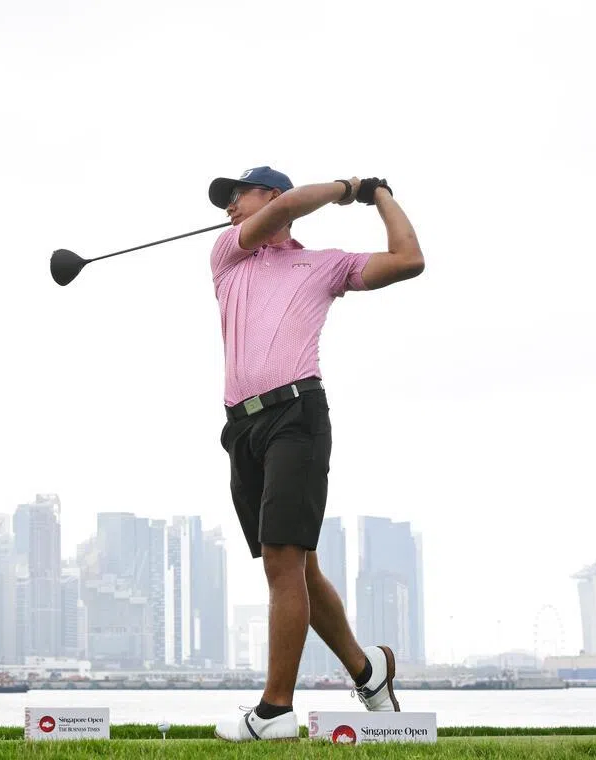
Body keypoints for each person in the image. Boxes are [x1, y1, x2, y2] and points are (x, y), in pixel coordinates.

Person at [207, 166, 425, 742]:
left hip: (297, 418)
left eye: (238, 196)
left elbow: (408, 259)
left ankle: (275, 712)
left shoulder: (322, 263)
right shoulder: (229, 253)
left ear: (270, 194)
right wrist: (344, 189)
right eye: (226, 201)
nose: (229, 207)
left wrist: (378, 197)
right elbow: (283, 213)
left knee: (284, 557)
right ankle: (367, 670)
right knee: (297, 564)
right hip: (242, 429)